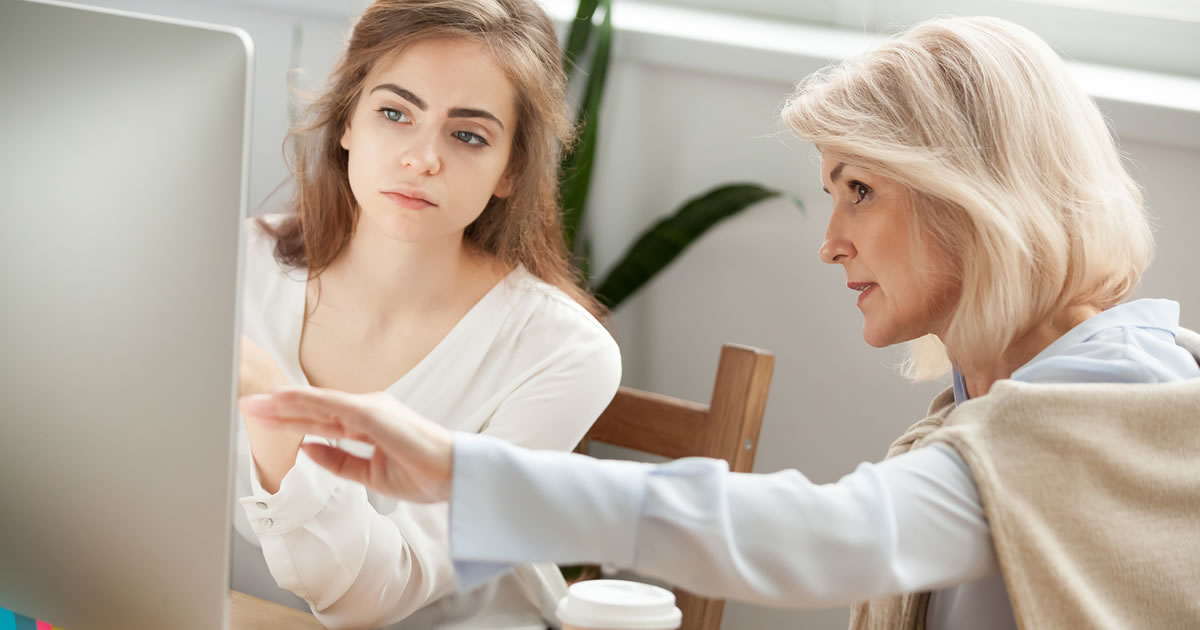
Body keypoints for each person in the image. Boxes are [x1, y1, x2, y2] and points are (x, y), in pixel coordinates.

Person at [239, 15, 1200, 630]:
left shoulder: (1111, 401)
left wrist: (458, 471)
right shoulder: (1000, 406)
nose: (829, 242)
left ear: (972, 198)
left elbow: (833, 538)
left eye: (860, 190)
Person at [231, 0, 621, 628]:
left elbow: (377, 597)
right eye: (394, 113)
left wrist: (272, 403)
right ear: (347, 122)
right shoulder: (234, 262)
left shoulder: (563, 354)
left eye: (467, 134)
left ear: (511, 169)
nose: (421, 158)